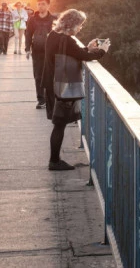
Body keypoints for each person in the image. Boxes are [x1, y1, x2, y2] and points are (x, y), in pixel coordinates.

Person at [42, 9, 110, 170]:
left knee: (58, 124)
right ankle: (54, 161)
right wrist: (102, 51)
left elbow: (75, 53)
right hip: (62, 87)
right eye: (80, 25)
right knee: (59, 125)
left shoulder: (53, 35)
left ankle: (55, 160)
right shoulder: (67, 41)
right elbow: (84, 57)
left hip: (51, 83)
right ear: (72, 25)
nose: (80, 28)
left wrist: (87, 47)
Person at [25, 0, 57, 109]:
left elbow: (59, 34)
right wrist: (27, 49)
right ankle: (41, 100)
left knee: (51, 75)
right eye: (39, 4)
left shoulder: (53, 19)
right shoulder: (32, 19)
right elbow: (28, 34)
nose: (40, 6)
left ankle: (50, 99)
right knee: (38, 76)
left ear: (48, 5)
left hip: (51, 52)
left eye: (43, 4)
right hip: (37, 51)